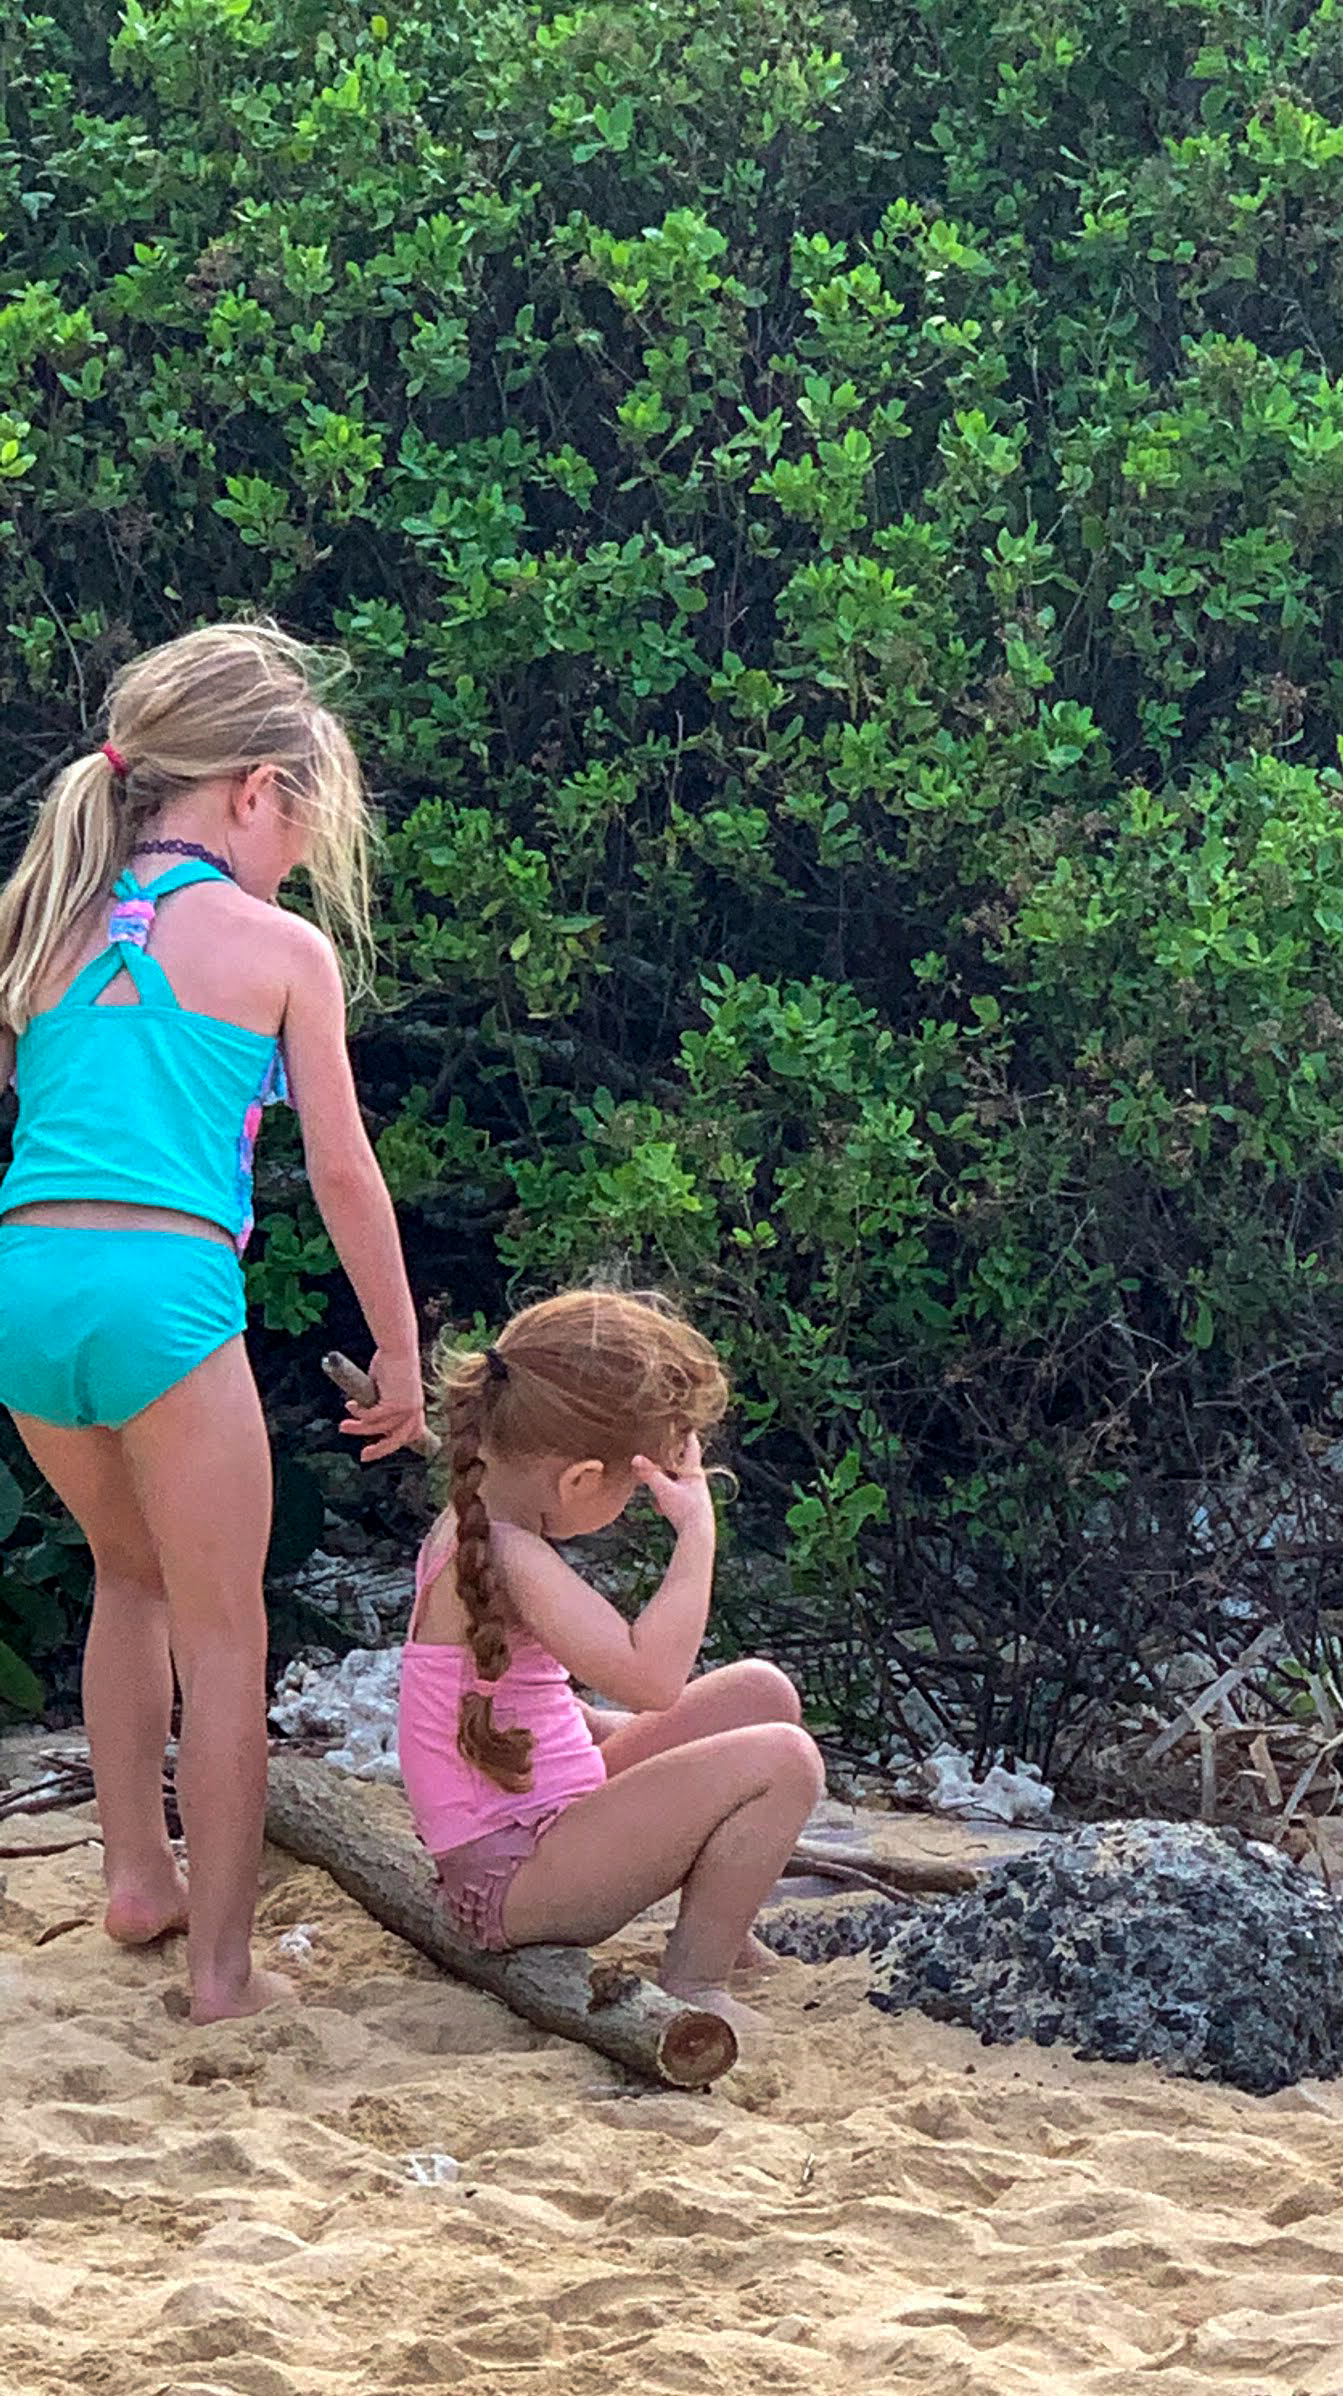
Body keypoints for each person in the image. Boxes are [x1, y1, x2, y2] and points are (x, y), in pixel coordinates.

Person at [0, 619, 426, 2020]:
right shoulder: (277, 946)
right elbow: (346, 1176)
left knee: (127, 1579)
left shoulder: (40, 912)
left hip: (27, 1287)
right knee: (225, 1629)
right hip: (166, 1294)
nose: (302, 855)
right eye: (302, 821)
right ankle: (224, 1975)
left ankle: (137, 1876)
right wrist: (405, 1352)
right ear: (254, 791)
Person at [402, 1288, 824, 2029]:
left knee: (760, 1692)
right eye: (635, 1488)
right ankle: (695, 1980)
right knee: (786, 1760)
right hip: (514, 1879)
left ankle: (725, 1912)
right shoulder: (509, 1553)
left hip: (543, 1825)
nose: (636, 1505)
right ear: (578, 1480)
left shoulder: (477, 1522)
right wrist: (697, 1535)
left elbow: (523, 1704)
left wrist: (595, 1734)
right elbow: (654, 1680)